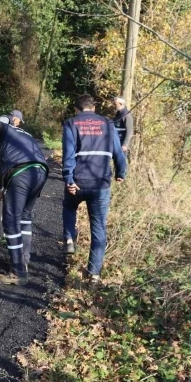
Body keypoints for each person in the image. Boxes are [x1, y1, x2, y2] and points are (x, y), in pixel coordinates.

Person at [62, 94, 127, 282]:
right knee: (98, 229)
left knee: (69, 206)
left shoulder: (71, 123)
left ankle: (69, 239)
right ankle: (94, 274)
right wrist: (121, 172)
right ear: (94, 108)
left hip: (78, 181)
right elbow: (118, 152)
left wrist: (68, 178)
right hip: (100, 183)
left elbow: (68, 154)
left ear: (76, 109)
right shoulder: (108, 124)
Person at [0, 112, 49, 286]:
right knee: (25, 216)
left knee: (11, 220)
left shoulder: (4, 128)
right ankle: (24, 261)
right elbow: (0, 170)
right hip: (40, 171)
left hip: (22, 172)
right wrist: (0, 188)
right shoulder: (24, 134)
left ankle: (17, 272)